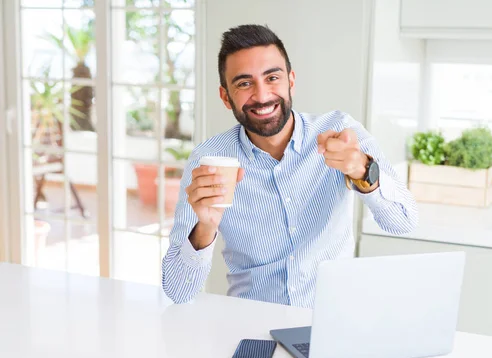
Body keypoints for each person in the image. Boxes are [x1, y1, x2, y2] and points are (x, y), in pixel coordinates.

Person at [162, 24, 418, 307]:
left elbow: (404, 222)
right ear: (226, 97)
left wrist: (362, 170)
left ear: (291, 81)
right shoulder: (208, 160)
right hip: (251, 324)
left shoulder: (340, 131)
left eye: (272, 77)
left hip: (332, 322)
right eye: (244, 83)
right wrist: (205, 227)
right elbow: (178, 291)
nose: (262, 96)